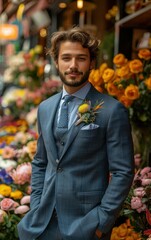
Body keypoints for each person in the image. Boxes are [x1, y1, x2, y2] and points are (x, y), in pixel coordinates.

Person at [17, 27, 134, 240]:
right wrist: (36, 205)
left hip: (86, 225)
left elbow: (122, 171)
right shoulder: (45, 108)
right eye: (66, 58)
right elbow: (41, 161)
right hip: (41, 223)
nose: (73, 66)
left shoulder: (111, 110)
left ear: (91, 63)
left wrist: (102, 220)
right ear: (56, 62)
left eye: (81, 58)